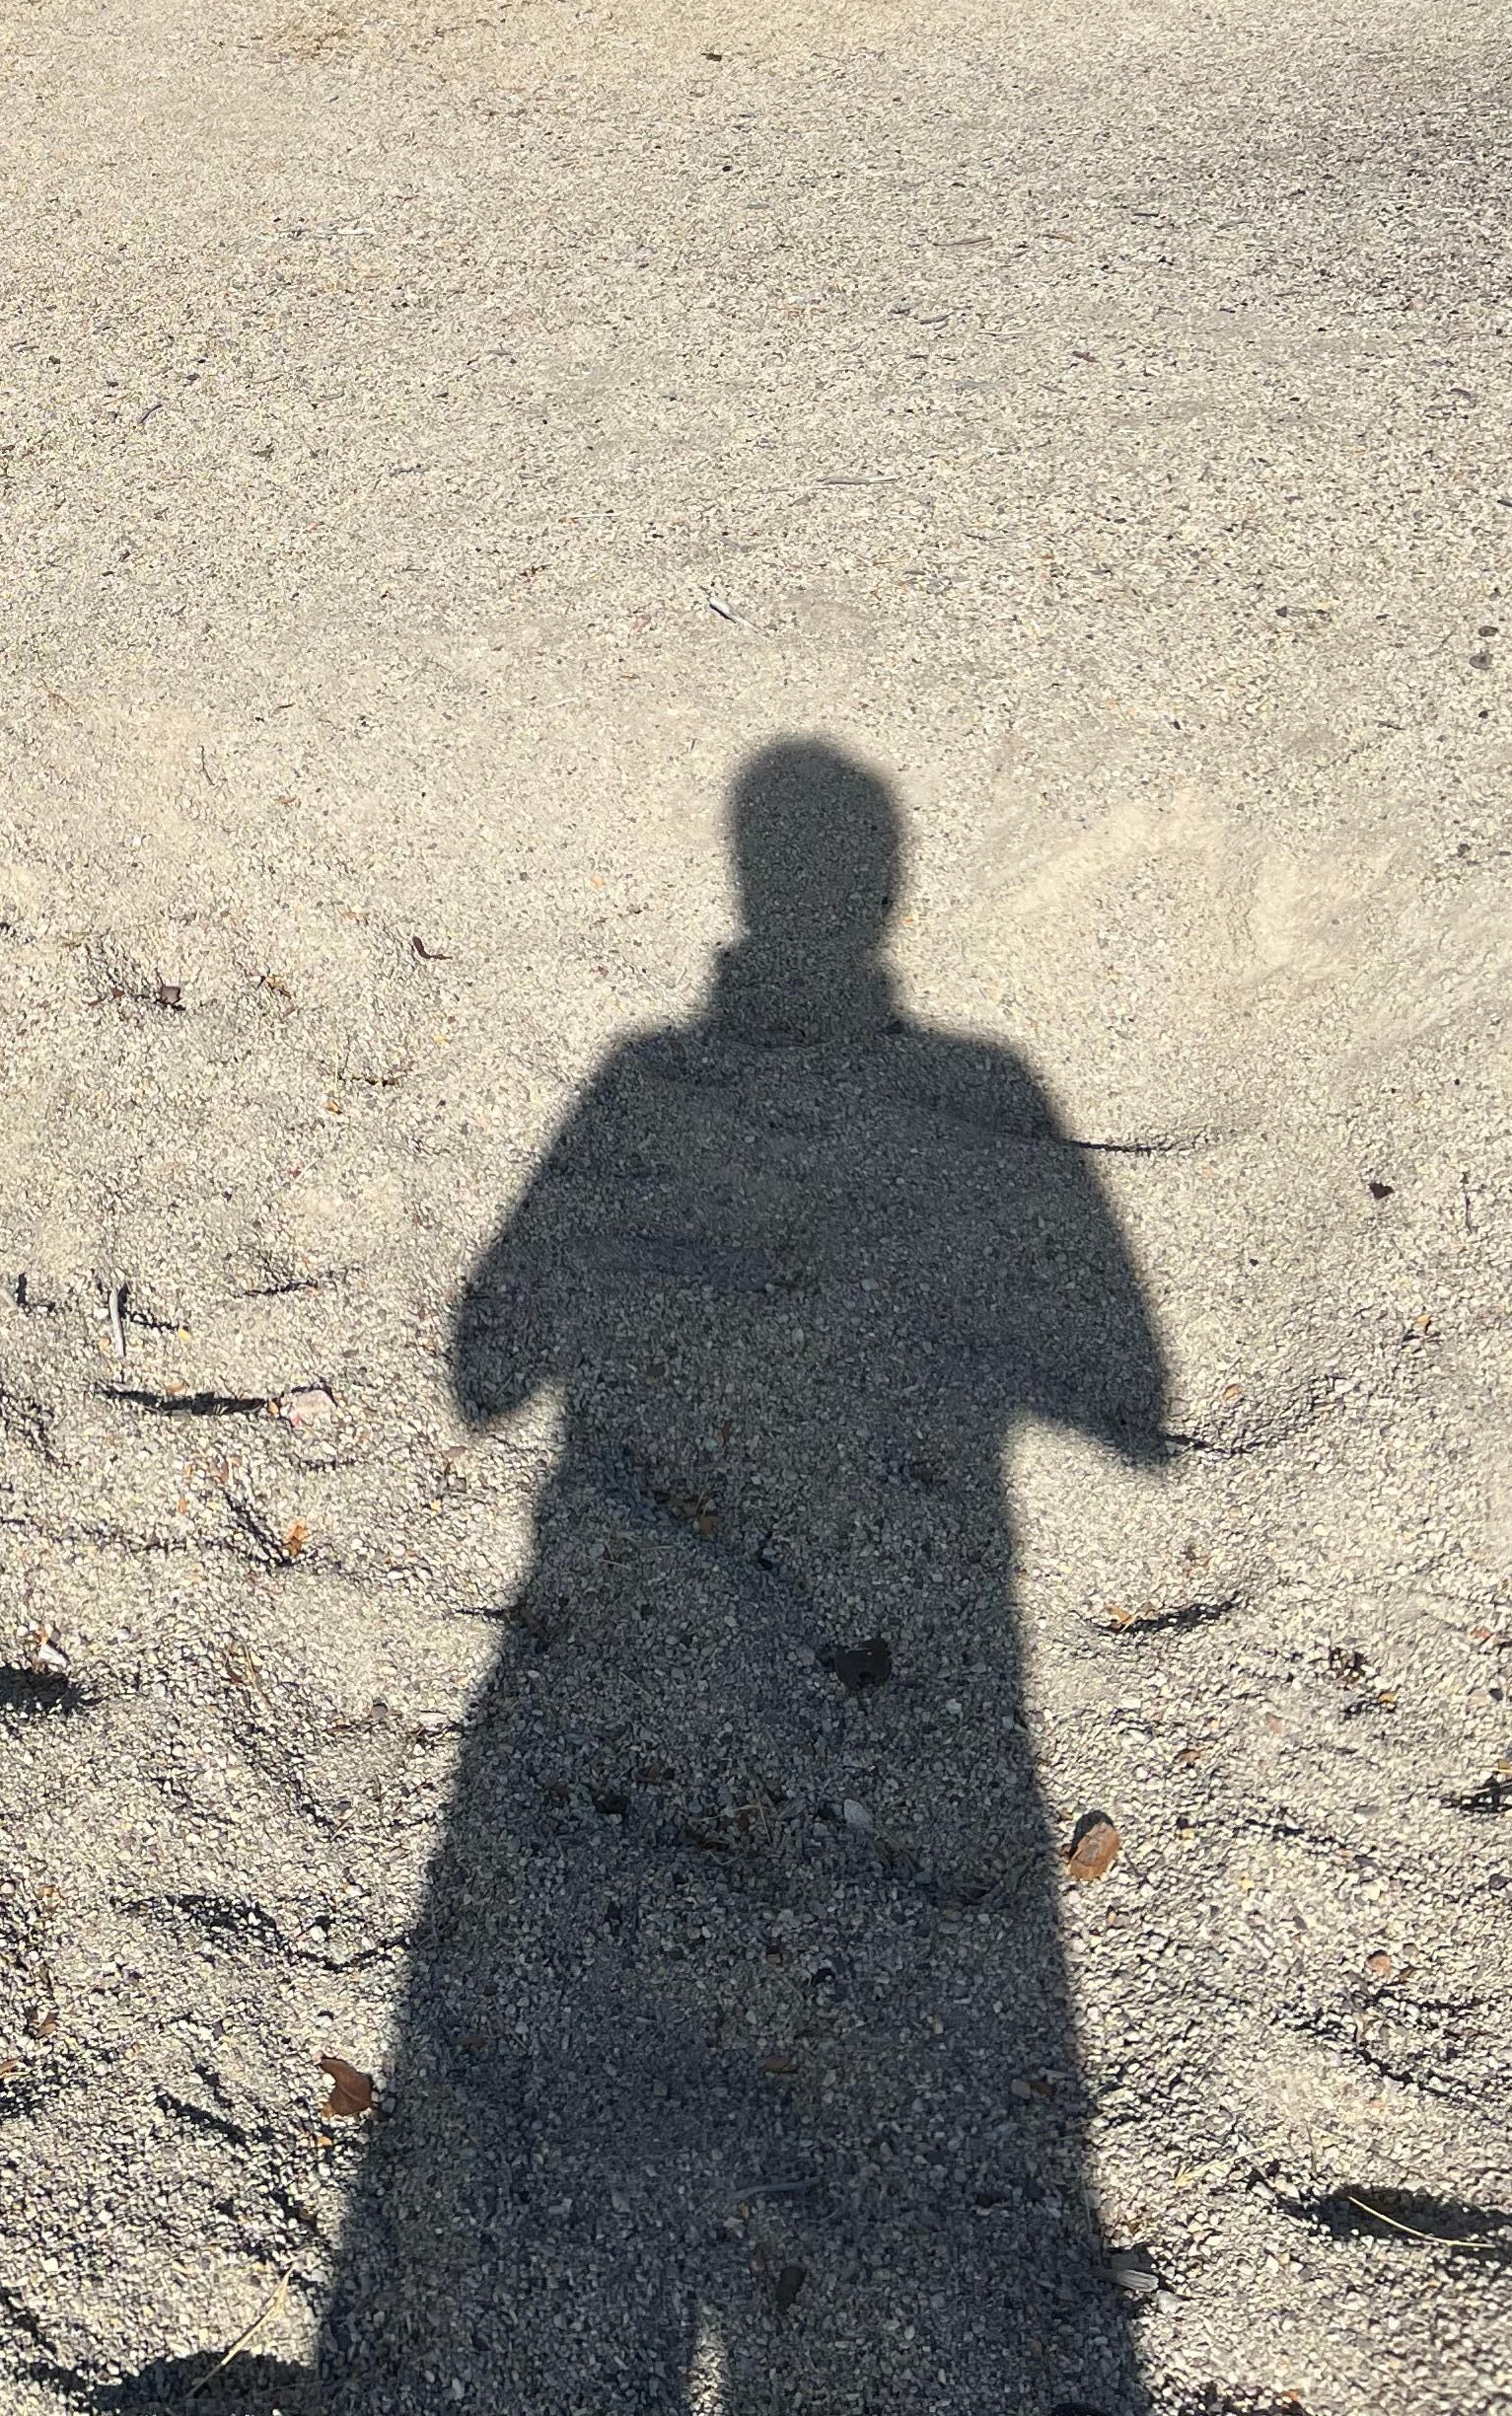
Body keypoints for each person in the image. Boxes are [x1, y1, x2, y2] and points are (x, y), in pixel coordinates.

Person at [323, 742, 1167, 2415]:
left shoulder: (642, 1078)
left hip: (608, 1702)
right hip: (919, 1681)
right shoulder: (985, 1083)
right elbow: (1131, 1404)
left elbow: (489, 1363)